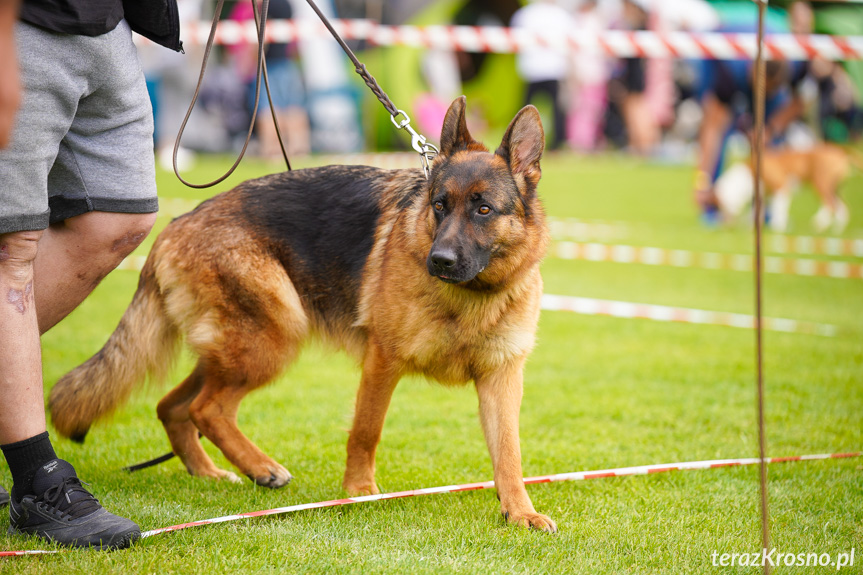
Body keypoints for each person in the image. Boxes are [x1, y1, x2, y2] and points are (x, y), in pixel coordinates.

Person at [0, 0, 181, 550]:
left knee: (118, 221)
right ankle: (37, 482)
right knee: (12, 249)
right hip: (23, 25)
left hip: (106, 23)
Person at [510, 0, 573, 150]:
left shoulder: (526, 14)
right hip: (551, 69)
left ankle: (516, 141)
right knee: (556, 110)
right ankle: (557, 143)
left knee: (525, 110)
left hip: (534, 69)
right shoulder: (561, 15)